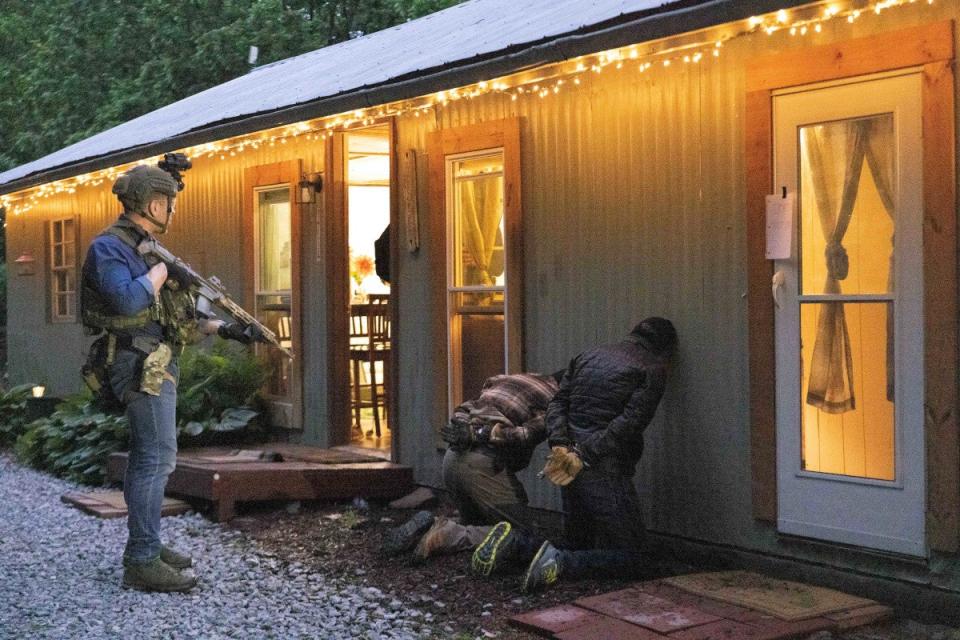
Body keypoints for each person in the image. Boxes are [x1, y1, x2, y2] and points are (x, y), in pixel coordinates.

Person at [80, 164, 259, 593]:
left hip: (158, 359)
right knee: (153, 459)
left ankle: (147, 546)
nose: (173, 211)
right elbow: (126, 302)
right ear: (154, 204)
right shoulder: (111, 248)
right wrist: (159, 273)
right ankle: (142, 559)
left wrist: (227, 329)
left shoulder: (148, 249)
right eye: (170, 203)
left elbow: (175, 320)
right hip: (137, 363)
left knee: (158, 457)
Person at [470, 317, 677, 593]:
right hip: (603, 466)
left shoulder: (588, 356)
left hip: (565, 462)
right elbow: (629, 423)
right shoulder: (652, 368)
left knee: (578, 540)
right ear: (664, 348)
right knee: (635, 557)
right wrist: (583, 452)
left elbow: (557, 403)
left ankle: (516, 545)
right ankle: (561, 563)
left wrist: (561, 445)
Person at [382, 371, 562, 560]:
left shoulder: (508, 379)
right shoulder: (555, 399)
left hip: (451, 460)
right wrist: (481, 433)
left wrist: (467, 429)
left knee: (477, 523)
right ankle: (449, 535)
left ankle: (429, 527)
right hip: (483, 466)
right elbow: (525, 434)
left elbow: (463, 408)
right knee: (522, 535)